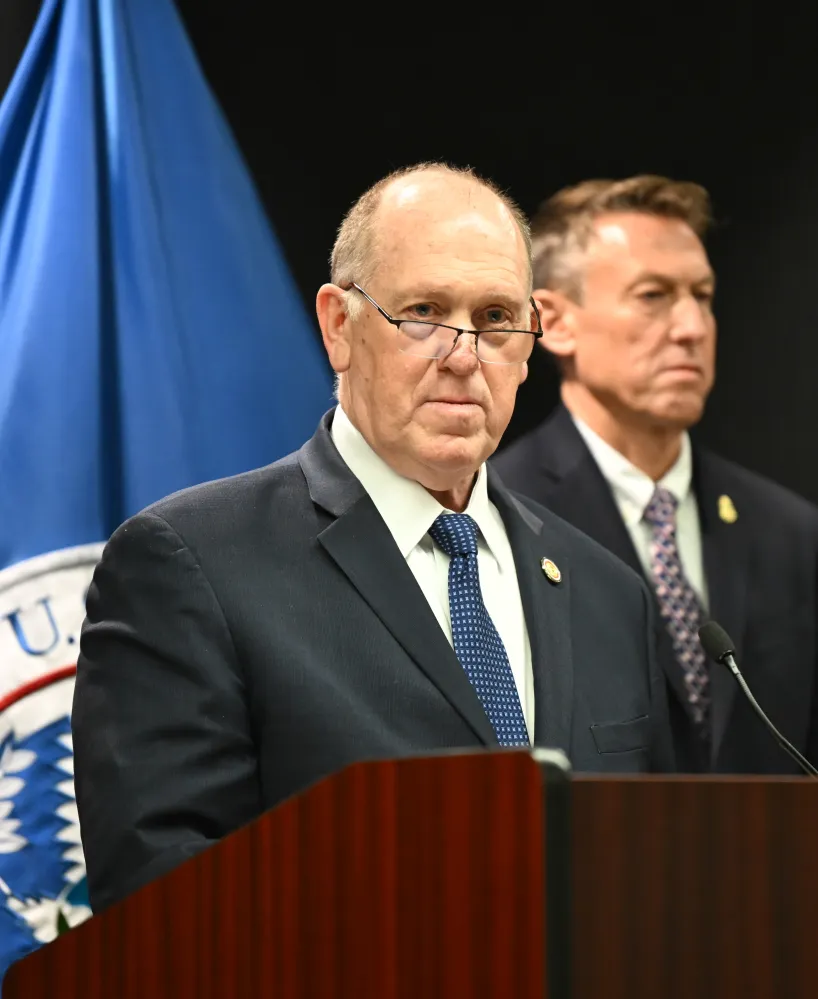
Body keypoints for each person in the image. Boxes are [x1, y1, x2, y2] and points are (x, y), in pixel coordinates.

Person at [73, 163, 674, 914]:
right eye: (424, 310)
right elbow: (162, 910)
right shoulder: (191, 564)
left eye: (494, 317)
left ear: (529, 343)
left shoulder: (608, 592)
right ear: (338, 325)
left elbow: (658, 882)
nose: (463, 353)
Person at [493, 174, 818, 774]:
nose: (692, 327)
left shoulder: (791, 534)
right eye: (653, 295)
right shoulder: (496, 519)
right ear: (554, 323)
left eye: (702, 295)